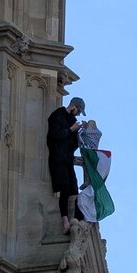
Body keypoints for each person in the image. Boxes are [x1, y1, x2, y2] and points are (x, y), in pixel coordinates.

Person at [47, 97, 85, 234]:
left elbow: (72, 144)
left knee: (74, 189)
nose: (78, 114)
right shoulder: (58, 115)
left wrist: (80, 132)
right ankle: (64, 220)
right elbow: (54, 135)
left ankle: (75, 219)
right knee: (64, 188)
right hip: (57, 158)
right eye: (78, 111)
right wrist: (71, 130)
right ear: (73, 106)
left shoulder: (72, 121)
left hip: (67, 159)